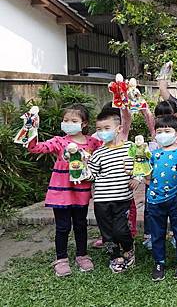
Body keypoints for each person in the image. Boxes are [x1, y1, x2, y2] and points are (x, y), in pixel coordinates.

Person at [26, 104, 102, 277]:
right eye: (66, 120)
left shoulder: (94, 142)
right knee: (62, 227)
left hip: (81, 192)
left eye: (74, 120)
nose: (69, 123)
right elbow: (35, 148)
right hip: (60, 193)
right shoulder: (59, 141)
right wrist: (31, 129)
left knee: (81, 225)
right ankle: (61, 259)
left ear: (84, 124)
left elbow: (105, 155)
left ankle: (82, 255)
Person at [88, 108, 136, 274]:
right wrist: (78, 164)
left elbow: (142, 164)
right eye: (99, 129)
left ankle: (129, 247)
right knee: (107, 233)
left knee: (121, 230)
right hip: (101, 200)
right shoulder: (98, 153)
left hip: (123, 199)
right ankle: (114, 256)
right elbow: (91, 174)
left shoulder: (130, 148)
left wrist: (136, 178)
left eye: (106, 128)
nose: (102, 133)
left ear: (119, 128)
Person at [144, 115, 177, 281]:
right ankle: (159, 262)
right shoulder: (152, 154)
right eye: (159, 131)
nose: (163, 134)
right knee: (157, 232)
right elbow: (146, 175)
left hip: (176, 198)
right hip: (155, 200)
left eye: (167, 131)